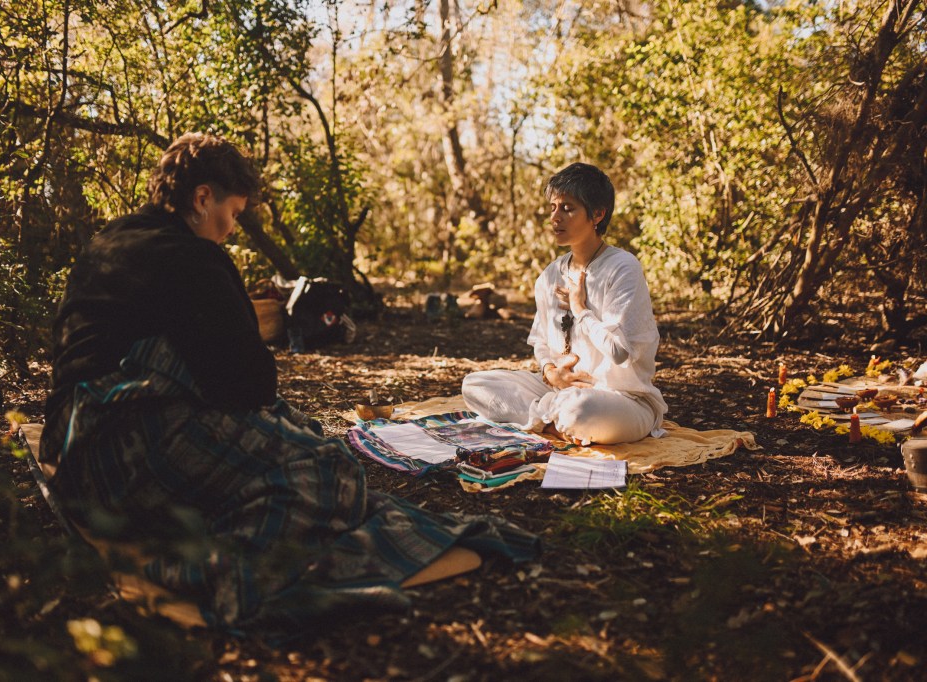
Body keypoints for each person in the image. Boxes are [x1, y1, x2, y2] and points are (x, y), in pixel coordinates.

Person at [40, 132, 539, 629]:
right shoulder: (193, 257)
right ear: (201, 198)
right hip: (124, 449)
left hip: (72, 457)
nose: (231, 229)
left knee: (299, 442)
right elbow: (248, 385)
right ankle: (200, 572)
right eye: (232, 214)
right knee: (330, 472)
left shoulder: (109, 241)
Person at [462, 163, 667, 445]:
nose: (555, 217)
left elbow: (620, 352)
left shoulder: (623, 268)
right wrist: (550, 373)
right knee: (474, 385)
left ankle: (552, 419)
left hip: (620, 399)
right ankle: (552, 424)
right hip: (558, 391)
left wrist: (580, 309)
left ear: (597, 214)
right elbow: (541, 342)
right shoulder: (549, 275)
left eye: (568, 208)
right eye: (553, 207)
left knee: (581, 409)